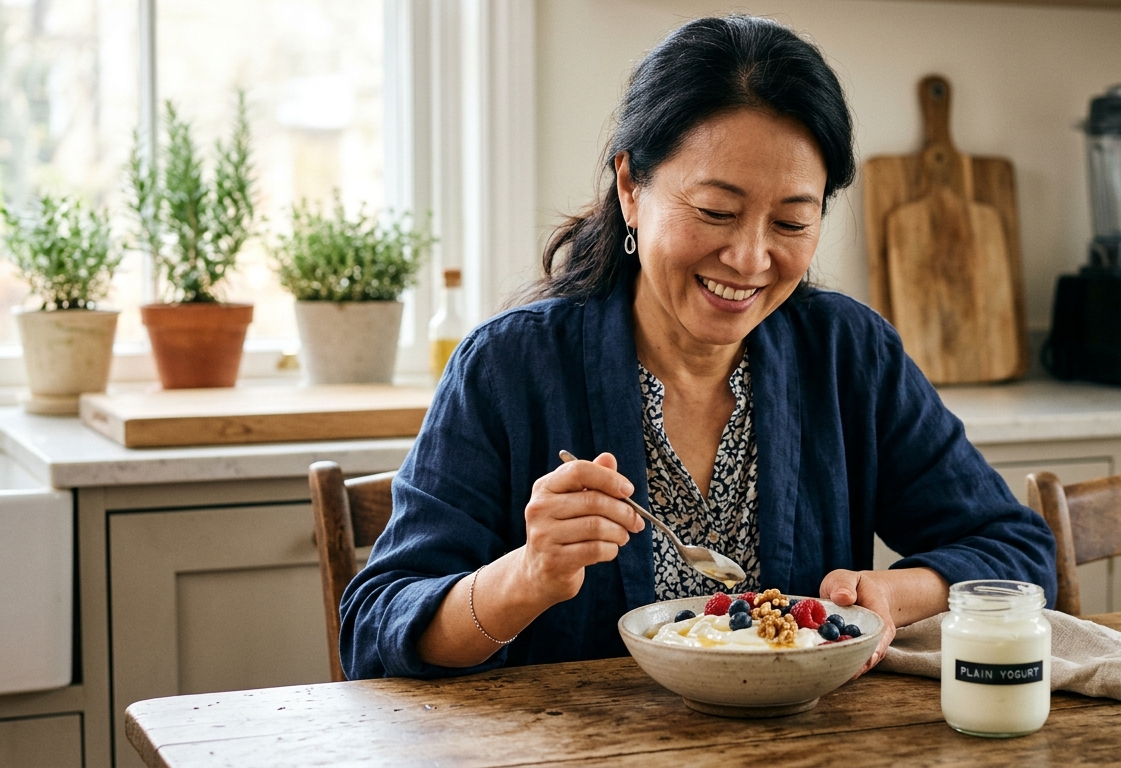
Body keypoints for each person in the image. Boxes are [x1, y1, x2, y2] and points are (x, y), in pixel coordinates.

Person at [341, 14, 1055, 680]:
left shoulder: (846, 353)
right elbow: (374, 630)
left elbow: (1018, 552)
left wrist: (897, 592)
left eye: (791, 222)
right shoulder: (509, 367)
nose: (749, 259)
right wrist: (524, 578)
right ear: (630, 186)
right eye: (716, 211)